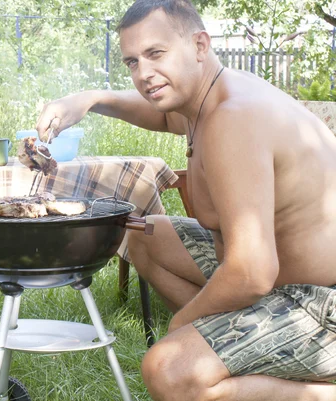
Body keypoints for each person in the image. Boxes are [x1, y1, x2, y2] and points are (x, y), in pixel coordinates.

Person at [35, 1, 336, 400]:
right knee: (146, 233)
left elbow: (251, 272)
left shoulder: (235, 119)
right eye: (132, 62)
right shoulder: (209, 97)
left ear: (199, 45)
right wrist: (88, 100)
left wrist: (182, 325)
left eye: (156, 54)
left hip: (320, 304)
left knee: (168, 369)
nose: (143, 74)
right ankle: (232, 347)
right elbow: (162, 117)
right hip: (277, 283)